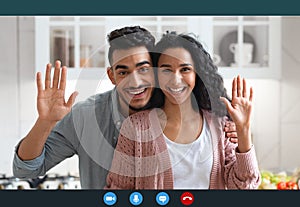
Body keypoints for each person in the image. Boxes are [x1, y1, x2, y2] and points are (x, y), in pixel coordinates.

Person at [13, 26, 237, 189]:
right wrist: (45, 122)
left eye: (143, 68)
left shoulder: (189, 117)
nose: (135, 82)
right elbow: (26, 170)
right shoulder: (85, 116)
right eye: (123, 72)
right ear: (111, 75)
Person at [105, 32, 261, 189]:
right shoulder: (135, 127)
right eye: (166, 70)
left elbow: (245, 186)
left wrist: (243, 131)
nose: (176, 79)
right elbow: (119, 189)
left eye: (185, 69)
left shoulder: (220, 127)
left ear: (196, 74)